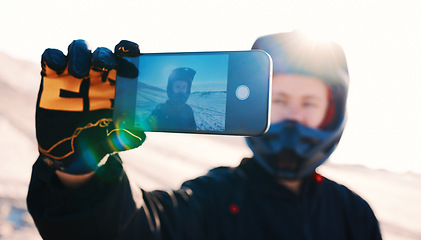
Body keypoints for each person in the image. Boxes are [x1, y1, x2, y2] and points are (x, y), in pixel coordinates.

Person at [27, 32, 382, 240]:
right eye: (278, 100)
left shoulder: (353, 215)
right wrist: (79, 172)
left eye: (308, 103)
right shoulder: (212, 198)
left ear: (330, 113)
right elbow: (142, 228)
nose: (291, 116)